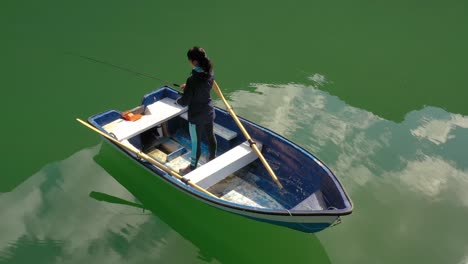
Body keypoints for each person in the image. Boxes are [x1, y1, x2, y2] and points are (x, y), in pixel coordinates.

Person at [176, 46, 217, 175]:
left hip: (196, 116)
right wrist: (189, 87)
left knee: (196, 142)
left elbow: (184, 102)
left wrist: (179, 99)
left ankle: (192, 167)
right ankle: (212, 158)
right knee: (211, 136)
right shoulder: (210, 71)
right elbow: (204, 86)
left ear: (194, 62)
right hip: (209, 111)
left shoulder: (192, 80)